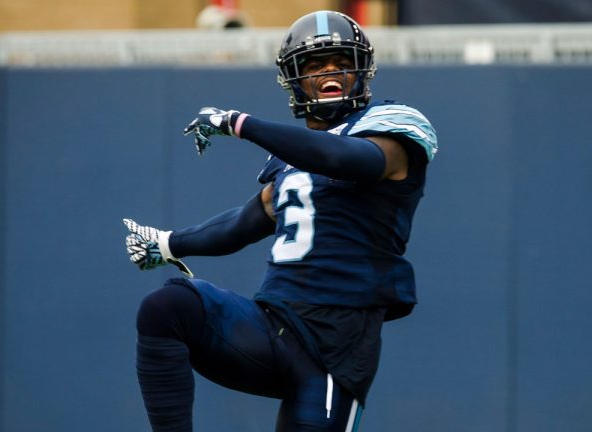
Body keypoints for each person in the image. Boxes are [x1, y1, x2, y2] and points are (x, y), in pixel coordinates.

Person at [123, 10, 437, 432]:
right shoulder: (290, 158)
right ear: (295, 80)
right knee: (168, 307)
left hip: (336, 347)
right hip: (274, 325)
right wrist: (170, 244)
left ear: (362, 71)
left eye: (341, 62)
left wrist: (240, 124)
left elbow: (345, 159)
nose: (330, 71)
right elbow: (248, 220)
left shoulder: (391, 128)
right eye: (314, 64)